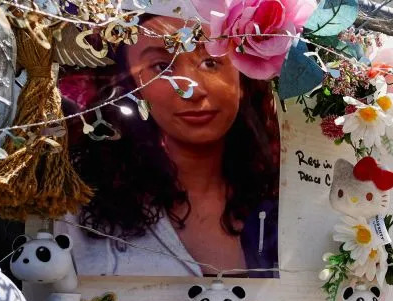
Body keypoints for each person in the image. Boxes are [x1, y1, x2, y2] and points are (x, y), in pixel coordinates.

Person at [58, 15, 279, 278]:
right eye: (162, 67)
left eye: (210, 62)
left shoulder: (287, 193)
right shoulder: (75, 197)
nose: (192, 90)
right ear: (132, 87)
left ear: (243, 78)